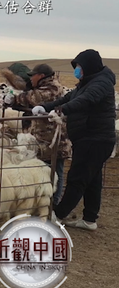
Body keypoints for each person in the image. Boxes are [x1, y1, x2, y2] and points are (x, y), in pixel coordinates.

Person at [33, 49, 116, 230]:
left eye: (79, 66)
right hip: (90, 137)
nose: (77, 70)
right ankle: (89, 219)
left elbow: (86, 100)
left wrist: (62, 111)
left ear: (88, 66)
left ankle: (58, 214)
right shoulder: (88, 82)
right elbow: (69, 97)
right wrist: (45, 106)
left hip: (95, 139)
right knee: (92, 179)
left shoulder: (100, 83)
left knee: (78, 177)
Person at [2, 64, 71, 204]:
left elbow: (36, 98)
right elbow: (31, 104)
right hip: (42, 138)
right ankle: (40, 202)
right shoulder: (43, 87)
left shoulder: (52, 88)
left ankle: (53, 203)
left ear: (41, 76)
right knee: (41, 170)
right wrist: (14, 103)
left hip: (53, 139)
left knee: (54, 171)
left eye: (32, 75)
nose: (31, 79)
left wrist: (15, 99)